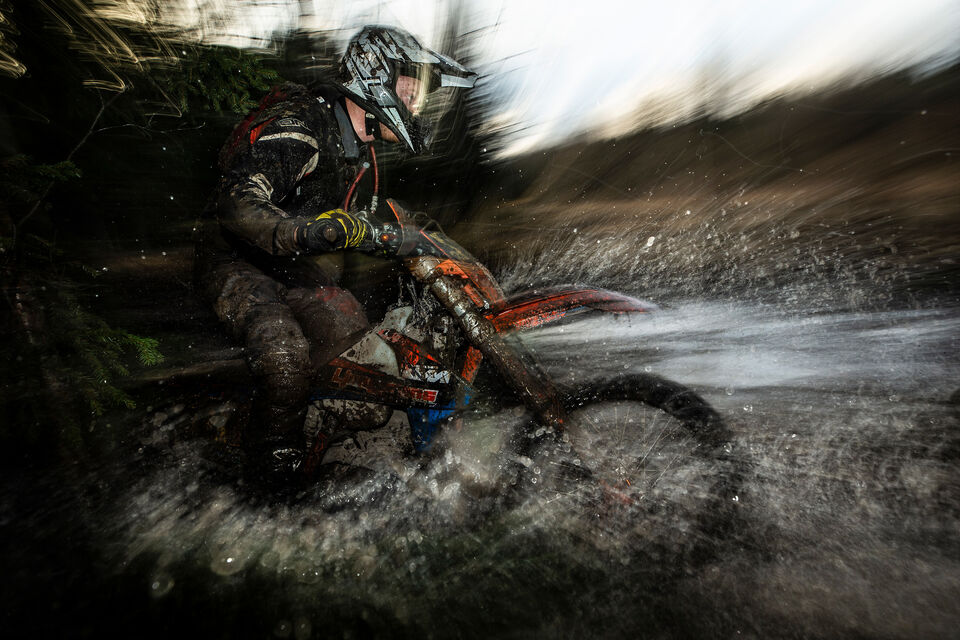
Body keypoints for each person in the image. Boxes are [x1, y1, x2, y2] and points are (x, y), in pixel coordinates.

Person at [195, 26, 477, 470]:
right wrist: (304, 232)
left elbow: (370, 223)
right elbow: (237, 202)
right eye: (412, 91)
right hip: (236, 260)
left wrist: (428, 242)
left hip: (292, 267)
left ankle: (323, 440)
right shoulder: (303, 124)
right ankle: (266, 475)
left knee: (362, 364)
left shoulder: (360, 156)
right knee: (286, 360)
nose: (417, 105)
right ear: (376, 77)